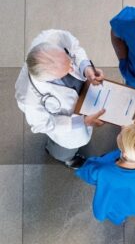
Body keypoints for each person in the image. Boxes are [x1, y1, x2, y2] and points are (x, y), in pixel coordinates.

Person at [15, 29, 105, 169]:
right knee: (66, 149)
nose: (72, 68)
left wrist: (86, 68)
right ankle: (65, 157)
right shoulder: (28, 97)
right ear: (50, 78)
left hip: (82, 98)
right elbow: (43, 124)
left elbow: (74, 48)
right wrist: (82, 121)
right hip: (68, 126)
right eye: (66, 70)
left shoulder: (51, 38)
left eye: (69, 62)